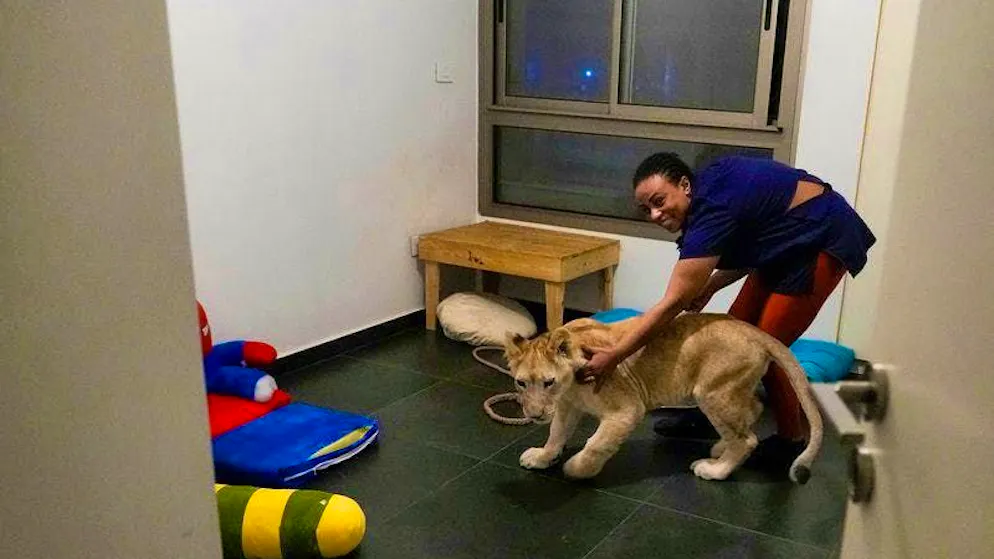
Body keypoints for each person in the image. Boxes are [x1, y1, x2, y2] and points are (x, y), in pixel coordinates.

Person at [580, 152, 875, 470]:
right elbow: (755, 238)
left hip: (821, 236)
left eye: (659, 200)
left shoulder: (714, 208)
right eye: (646, 208)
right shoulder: (709, 193)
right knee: (731, 334)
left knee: (767, 348)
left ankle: (790, 441)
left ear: (684, 184)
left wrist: (616, 355)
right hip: (785, 240)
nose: (654, 213)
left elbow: (673, 303)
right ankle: (716, 410)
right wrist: (710, 287)